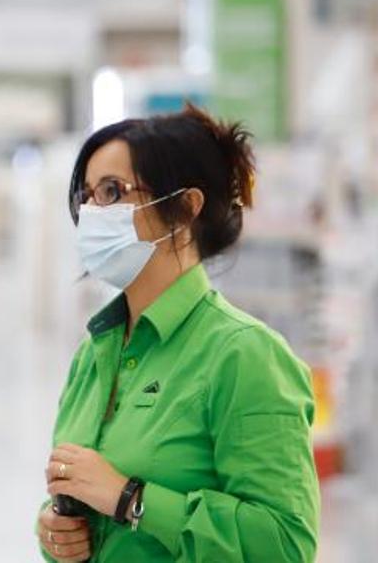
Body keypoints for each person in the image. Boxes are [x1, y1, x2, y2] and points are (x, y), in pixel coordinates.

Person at [36, 105, 319, 562]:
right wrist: (55, 532)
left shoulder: (243, 355)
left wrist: (131, 500)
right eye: (86, 196)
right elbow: (82, 496)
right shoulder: (95, 353)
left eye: (112, 192)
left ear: (185, 208)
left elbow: (285, 545)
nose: (91, 213)